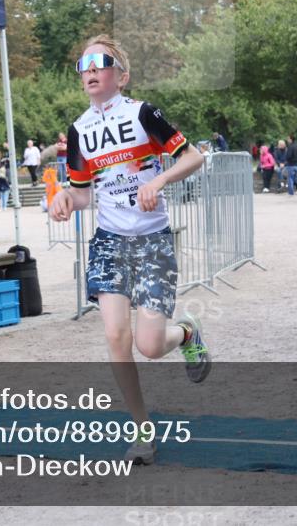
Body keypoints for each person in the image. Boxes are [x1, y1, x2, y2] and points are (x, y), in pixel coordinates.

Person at [48, 34, 210, 466]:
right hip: (109, 241)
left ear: (122, 74)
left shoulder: (143, 113)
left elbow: (194, 157)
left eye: (100, 63)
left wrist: (156, 182)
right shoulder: (79, 130)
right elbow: (84, 194)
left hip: (152, 240)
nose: (90, 71)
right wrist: (64, 197)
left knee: (151, 345)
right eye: (83, 65)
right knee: (116, 337)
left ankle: (188, 333)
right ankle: (143, 432)